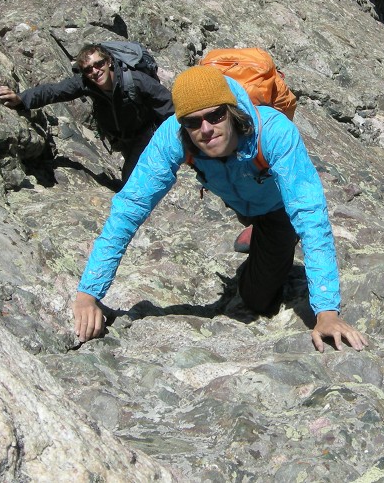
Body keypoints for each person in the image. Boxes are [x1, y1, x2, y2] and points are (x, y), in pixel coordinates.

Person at [72, 65, 368, 353]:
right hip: (241, 197)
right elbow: (130, 207)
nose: (205, 129)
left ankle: (268, 237)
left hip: (278, 208)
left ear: (231, 111)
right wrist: (89, 293)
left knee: (257, 302)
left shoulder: (275, 133)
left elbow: (310, 217)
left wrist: (326, 312)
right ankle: (255, 231)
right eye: (193, 121)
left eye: (215, 115)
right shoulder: (173, 138)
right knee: (250, 219)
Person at [0, 43, 174, 182]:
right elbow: (54, 91)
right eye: (88, 69)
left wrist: (180, 136)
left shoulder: (135, 80)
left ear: (109, 61)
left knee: (132, 182)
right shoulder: (85, 84)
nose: (95, 71)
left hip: (145, 135)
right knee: (132, 176)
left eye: (99, 64)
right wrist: (21, 99)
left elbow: (167, 103)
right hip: (120, 138)